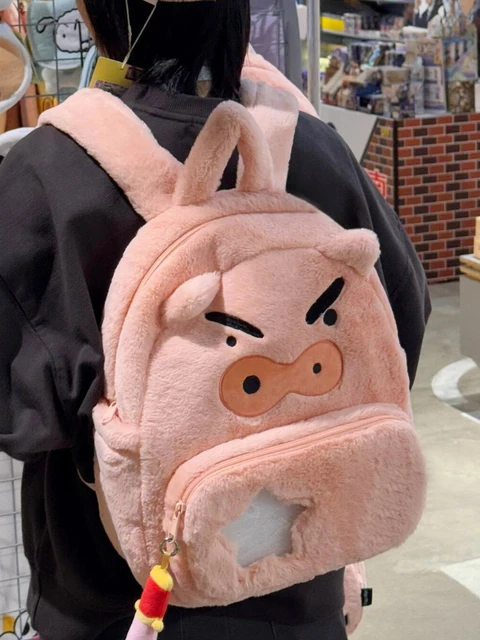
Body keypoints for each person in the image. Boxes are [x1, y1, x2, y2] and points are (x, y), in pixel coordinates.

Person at [0, 1, 430, 639]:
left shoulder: (49, 171)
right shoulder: (314, 148)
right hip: (299, 591)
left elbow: (20, 411)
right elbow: (400, 330)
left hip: (122, 606)